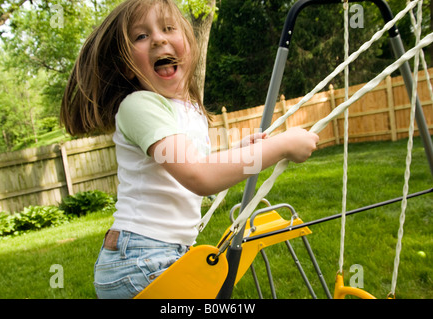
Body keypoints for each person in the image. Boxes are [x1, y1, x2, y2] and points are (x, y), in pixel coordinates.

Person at [60, 0, 319, 299]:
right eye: (141, 36)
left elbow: (193, 164)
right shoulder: (140, 105)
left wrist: (238, 149)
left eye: (168, 28)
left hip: (158, 253)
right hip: (141, 259)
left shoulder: (185, 110)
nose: (158, 38)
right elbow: (199, 176)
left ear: (189, 45)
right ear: (125, 67)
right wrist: (282, 146)